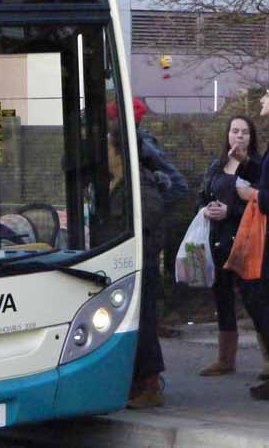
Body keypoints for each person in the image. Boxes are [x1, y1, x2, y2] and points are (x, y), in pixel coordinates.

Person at [105, 130, 167, 409]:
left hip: (142, 263)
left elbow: (151, 217)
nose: (104, 153)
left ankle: (152, 386)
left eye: (108, 147)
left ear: (120, 153)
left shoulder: (140, 182)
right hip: (121, 262)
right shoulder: (115, 182)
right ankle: (136, 382)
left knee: (143, 324)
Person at [197, 116, 262, 376]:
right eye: (235, 131)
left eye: (245, 132)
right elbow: (203, 196)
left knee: (255, 299)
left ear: (251, 137)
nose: (239, 136)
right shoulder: (217, 166)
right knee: (222, 298)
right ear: (228, 135)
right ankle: (225, 359)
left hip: (247, 242)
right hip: (218, 242)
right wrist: (206, 209)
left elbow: (263, 203)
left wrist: (231, 211)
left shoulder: (257, 167)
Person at [236, 80, 269, 400]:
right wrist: (249, 163)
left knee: (263, 299)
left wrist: (257, 196)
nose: (263, 99)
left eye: (268, 94)